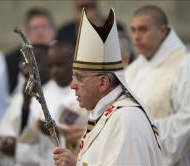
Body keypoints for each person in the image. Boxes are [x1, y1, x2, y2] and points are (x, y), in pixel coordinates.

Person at [53, 8, 162, 166]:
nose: (72, 85)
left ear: (103, 82)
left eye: (80, 78)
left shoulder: (125, 119)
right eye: (73, 77)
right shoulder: (105, 114)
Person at [125, 5, 190, 165]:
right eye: (133, 30)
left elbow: (187, 118)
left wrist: (139, 130)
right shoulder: (133, 69)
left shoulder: (184, 64)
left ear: (162, 31)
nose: (136, 37)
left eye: (143, 29)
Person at [6, 8, 57, 94]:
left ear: (54, 31)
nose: (40, 32)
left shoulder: (65, 54)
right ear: (26, 32)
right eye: (35, 28)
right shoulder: (13, 60)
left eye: (44, 27)